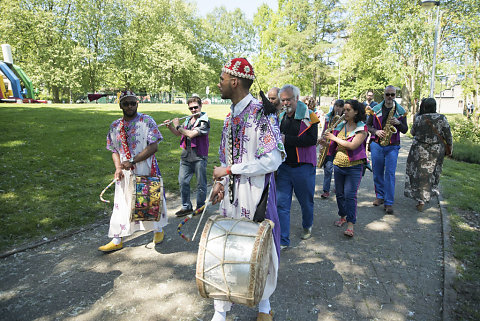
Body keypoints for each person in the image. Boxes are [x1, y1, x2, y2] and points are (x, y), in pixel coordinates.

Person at [210, 57, 285, 321]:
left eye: (221, 79)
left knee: (258, 249)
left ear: (235, 81)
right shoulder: (230, 115)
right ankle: (221, 311)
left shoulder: (261, 113)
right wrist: (220, 182)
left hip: (256, 195)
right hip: (231, 197)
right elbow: (225, 156)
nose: (218, 84)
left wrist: (231, 171)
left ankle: (264, 307)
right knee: (226, 249)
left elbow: (273, 160)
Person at [99, 90, 168, 252]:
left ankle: (158, 230)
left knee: (150, 201)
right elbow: (114, 150)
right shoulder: (115, 126)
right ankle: (117, 239)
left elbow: (154, 146)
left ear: (137, 103)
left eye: (133, 103)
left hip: (146, 167)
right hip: (125, 170)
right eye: (126, 103)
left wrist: (133, 161)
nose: (130, 106)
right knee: (122, 202)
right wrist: (118, 168)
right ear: (120, 105)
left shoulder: (147, 121)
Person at [277, 84, 319, 248]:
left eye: (288, 100)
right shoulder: (281, 116)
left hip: (304, 167)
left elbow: (311, 140)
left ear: (296, 99)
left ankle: (307, 225)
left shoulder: (310, 116)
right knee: (282, 204)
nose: (285, 103)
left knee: (305, 202)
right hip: (284, 167)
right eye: (283, 100)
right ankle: (283, 240)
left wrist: (287, 139)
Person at [325, 100, 367, 237]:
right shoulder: (341, 125)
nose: (345, 112)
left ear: (356, 112)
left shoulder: (362, 128)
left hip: (354, 167)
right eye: (345, 110)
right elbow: (333, 144)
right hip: (338, 165)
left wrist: (333, 138)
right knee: (340, 194)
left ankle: (350, 224)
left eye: (348, 110)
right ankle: (342, 216)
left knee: (350, 195)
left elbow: (353, 145)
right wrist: (325, 141)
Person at [164, 96, 210, 217]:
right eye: (191, 108)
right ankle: (186, 207)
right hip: (186, 155)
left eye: (196, 107)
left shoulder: (204, 121)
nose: (194, 110)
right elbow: (178, 133)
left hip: (199, 156)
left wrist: (178, 126)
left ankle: (200, 207)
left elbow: (190, 134)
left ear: (201, 106)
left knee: (201, 183)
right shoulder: (188, 120)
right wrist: (170, 127)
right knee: (183, 181)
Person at [404, 98, 453, 211]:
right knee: (432, 173)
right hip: (436, 150)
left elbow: (412, 133)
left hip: (419, 149)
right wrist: (449, 149)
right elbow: (448, 135)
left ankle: (420, 198)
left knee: (419, 174)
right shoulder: (442, 118)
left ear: (424, 106)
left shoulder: (419, 118)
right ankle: (429, 194)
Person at [366, 85, 408, 214]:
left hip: (393, 146)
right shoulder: (375, 109)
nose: (390, 97)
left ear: (395, 95)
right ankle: (380, 196)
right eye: (387, 94)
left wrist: (399, 123)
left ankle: (389, 202)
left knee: (389, 173)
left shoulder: (400, 111)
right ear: (384, 95)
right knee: (377, 172)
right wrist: (376, 131)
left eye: (392, 95)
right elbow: (367, 125)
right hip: (377, 144)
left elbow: (405, 130)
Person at [318, 99, 344, 199]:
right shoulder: (329, 116)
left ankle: (338, 187)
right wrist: (321, 143)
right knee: (328, 169)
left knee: (338, 169)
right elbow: (325, 129)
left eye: (340, 106)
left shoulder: (345, 118)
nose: (338, 108)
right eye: (336, 106)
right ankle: (326, 190)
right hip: (328, 145)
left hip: (339, 146)